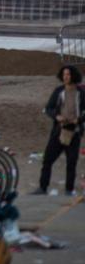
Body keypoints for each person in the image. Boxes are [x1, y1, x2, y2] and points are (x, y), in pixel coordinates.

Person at [36, 65, 83, 196]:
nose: (65, 77)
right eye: (64, 75)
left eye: (68, 74)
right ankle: (42, 188)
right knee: (47, 160)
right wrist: (57, 116)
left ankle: (69, 189)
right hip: (59, 130)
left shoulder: (80, 92)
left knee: (71, 162)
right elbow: (49, 108)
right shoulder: (59, 91)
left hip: (75, 132)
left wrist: (78, 120)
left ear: (73, 76)